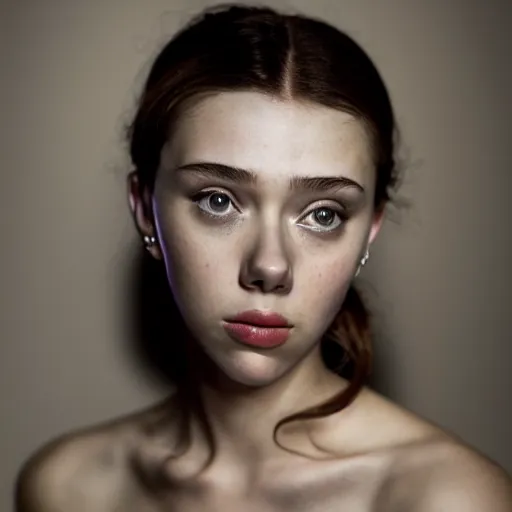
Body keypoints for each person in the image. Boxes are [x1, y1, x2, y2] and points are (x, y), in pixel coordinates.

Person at [15, 4, 512, 511]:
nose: (270, 267)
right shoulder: (67, 488)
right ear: (145, 207)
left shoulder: (448, 498)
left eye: (323, 214)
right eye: (218, 200)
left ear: (370, 229)